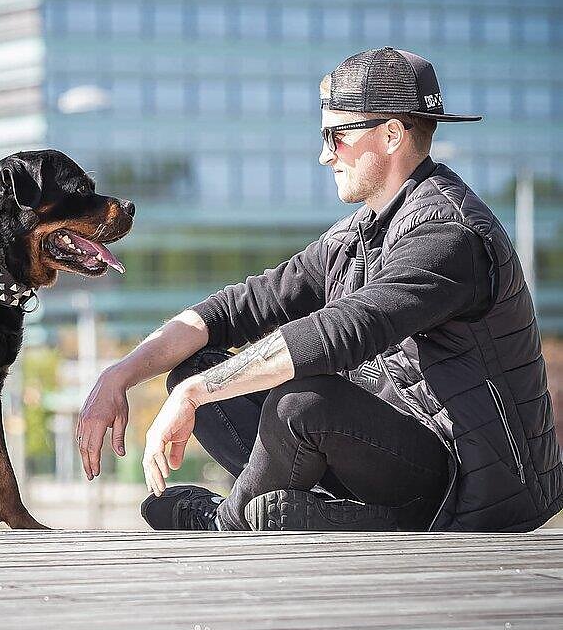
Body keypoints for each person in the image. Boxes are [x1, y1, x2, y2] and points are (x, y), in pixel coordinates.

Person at [76, 47, 563, 532]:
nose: (325, 153)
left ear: (391, 134)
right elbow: (234, 310)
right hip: (389, 454)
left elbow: (345, 331)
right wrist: (120, 375)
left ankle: (225, 521)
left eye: (337, 134)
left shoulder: (449, 234)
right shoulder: (357, 235)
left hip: (475, 487)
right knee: (197, 364)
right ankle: (319, 510)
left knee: (299, 402)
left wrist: (195, 394)